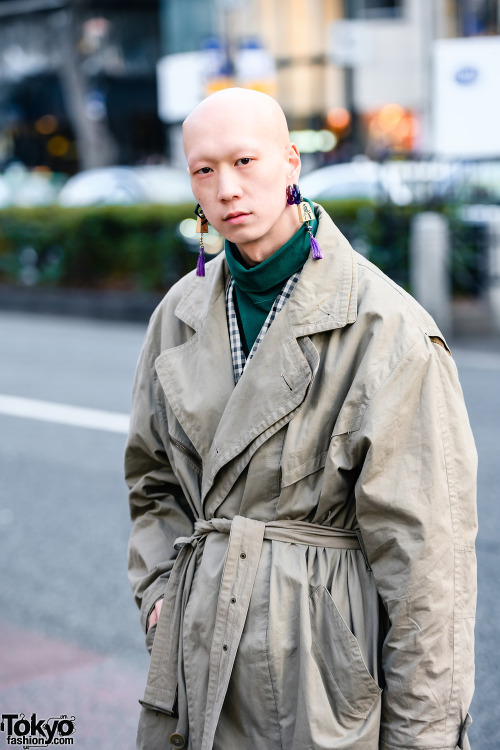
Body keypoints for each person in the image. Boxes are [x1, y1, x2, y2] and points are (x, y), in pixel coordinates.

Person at [125, 87, 477, 750]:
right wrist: (162, 597)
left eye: (245, 161)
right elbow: (150, 481)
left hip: (320, 673)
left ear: (291, 162)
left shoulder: (386, 328)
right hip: (196, 649)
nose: (226, 187)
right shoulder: (178, 312)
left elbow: (428, 564)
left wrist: (424, 736)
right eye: (204, 169)